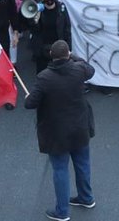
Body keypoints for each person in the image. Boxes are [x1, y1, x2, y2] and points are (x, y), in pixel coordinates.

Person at [25, 40, 96, 221]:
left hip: (57, 133)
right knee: (82, 163)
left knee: (60, 169)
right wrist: (73, 56)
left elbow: (29, 103)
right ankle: (86, 198)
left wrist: (28, 95)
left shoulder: (44, 77)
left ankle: (62, 211)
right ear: (68, 55)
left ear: (51, 56)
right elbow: (90, 68)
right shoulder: (79, 70)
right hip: (80, 127)